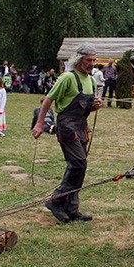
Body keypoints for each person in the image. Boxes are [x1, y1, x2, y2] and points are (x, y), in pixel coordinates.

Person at [32, 43, 103, 223]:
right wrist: (40, 123)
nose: (92, 63)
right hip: (67, 126)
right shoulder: (67, 78)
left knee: (78, 167)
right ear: (79, 60)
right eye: (88, 60)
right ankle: (56, 201)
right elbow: (48, 99)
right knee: (79, 164)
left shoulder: (92, 81)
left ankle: (72, 208)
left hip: (81, 126)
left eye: (94, 60)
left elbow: (87, 107)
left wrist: (95, 106)